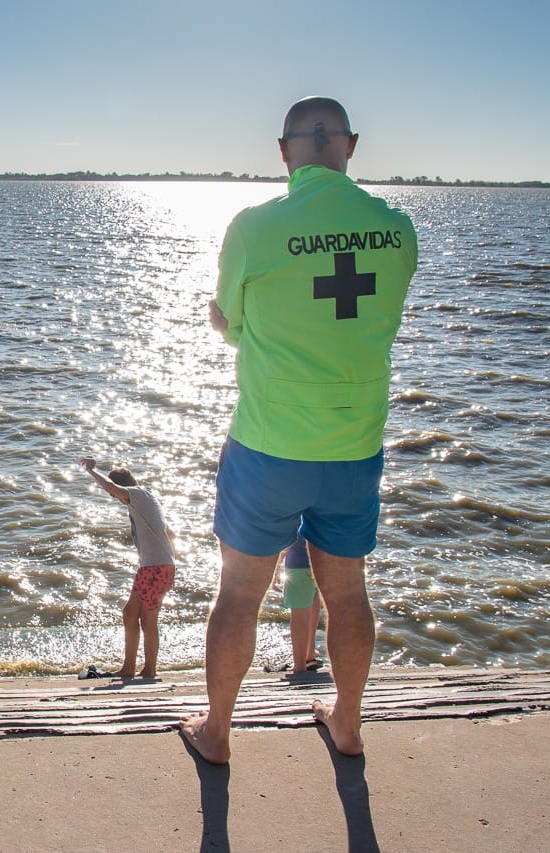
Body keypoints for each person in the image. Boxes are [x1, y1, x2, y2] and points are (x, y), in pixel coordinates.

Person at [181, 96, 418, 763]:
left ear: (283, 152)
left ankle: (217, 732)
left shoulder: (254, 228)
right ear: (351, 147)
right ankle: (346, 722)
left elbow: (228, 321)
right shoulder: (396, 229)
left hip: (267, 444)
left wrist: (241, 327)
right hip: (352, 445)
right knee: (347, 593)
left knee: (239, 591)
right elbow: (370, 320)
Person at [80, 456, 176, 678]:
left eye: (115, 496)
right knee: (130, 613)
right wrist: (171, 563)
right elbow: (170, 534)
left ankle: (149, 669)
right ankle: (129, 667)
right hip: (154, 567)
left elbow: (110, 486)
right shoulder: (147, 501)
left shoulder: (138, 495)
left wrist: (92, 471)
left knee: (148, 620)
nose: (115, 498)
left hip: (155, 567)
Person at [273, 532, 323, 673]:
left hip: (299, 563)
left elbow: (286, 533)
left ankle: (300, 666)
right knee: (313, 597)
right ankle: (309, 655)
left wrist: (276, 565)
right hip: (322, 560)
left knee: (299, 613)